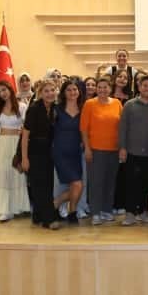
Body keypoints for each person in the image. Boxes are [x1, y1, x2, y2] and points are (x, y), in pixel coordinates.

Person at [118, 75, 148, 225]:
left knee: (147, 184)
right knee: (131, 184)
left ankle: (144, 212)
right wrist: (122, 148)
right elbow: (123, 128)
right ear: (139, 87)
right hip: (132, 151)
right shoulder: (129, 105)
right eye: (145, 86)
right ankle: (130, 213)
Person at [80, 76, 123, 225]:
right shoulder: (89, 104)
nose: (102, 90)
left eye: (105, 87)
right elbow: (84, 129)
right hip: (96, 150)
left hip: (114, 150)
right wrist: (87, 148)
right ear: (96, 89)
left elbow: (121, 126)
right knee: (96, 182)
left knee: (110, 181)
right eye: (100, 87)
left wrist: (121, 147)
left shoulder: (117, 103)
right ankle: (96, 212)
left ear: (110, 89)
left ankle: (107, 210)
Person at [22, 81, 61, 230]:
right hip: (34, 151)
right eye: (46, 91)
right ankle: (48, 219)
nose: (50, 93)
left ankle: (38, 215)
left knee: (47, 184)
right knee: (40, 185)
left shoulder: (54, 108)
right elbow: (25, 135)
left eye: (52, 90)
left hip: (48, 151)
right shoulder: (34, 108)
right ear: (40, 93)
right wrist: (24, 158)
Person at [0, 81, 30, 221]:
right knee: (3, 174)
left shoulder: (22, 107)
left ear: (10, 89)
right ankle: (4, 209)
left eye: (4, 89)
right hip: (2, 144)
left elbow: (26, 127)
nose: (2, 93)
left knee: (16, 174)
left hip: (17, 143)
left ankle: (17, 207)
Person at [53, 79, 84, 224]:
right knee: (78, 184)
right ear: (64, 93)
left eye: (75, 89)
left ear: (79, 92)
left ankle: (64, 209)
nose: (72, 92)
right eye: (69, 90)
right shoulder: (56, 109)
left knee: (75, 185)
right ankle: (65, 208)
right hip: (60, 151)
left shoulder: (83, 109)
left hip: (76, 152)